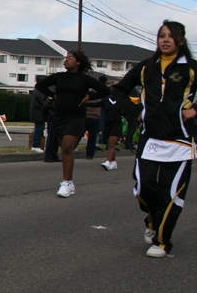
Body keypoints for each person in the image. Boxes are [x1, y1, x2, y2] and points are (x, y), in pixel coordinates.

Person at [113, 20, 197, 258]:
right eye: (162, 36)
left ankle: (162, 242)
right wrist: (135, 112)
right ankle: (153, 220)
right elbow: (119, 90)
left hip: (180, 141)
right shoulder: (146, 67)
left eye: (171, 36)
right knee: (143, 187)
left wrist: (194, 111)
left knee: (170, 193)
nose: (165, 40)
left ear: (181, 40)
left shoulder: (191, 68)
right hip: (150, 140)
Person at [35, 51, 111, 197]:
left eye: (70, 58)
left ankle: (67, 182)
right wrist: (53, 95)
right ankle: (68, 182)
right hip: (59, 116)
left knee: (68, 147)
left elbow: (105, 90)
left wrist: (89, 96)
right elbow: (40, 85)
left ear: (78, 62)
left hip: (76, 117)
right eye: (66, 58)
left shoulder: (85, 79)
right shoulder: (59, 77)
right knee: (64, 150)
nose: (66, 60)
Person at [100, 86, 122, 171]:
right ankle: (113, 162)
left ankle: (108, 161)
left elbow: (129, 110)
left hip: (116, 125)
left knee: (112, 144)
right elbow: (95, 104)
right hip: (107, 124)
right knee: (109, 143)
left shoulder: (121, 101)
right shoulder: (106, 101)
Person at [29, 76, 47, 153]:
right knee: (39, 128)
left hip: (37, 112)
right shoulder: (39, 91)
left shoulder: (37, 90)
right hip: (38, 113)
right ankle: (35, 145)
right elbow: (44, 102)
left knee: (40, 128)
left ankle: (39, 145)